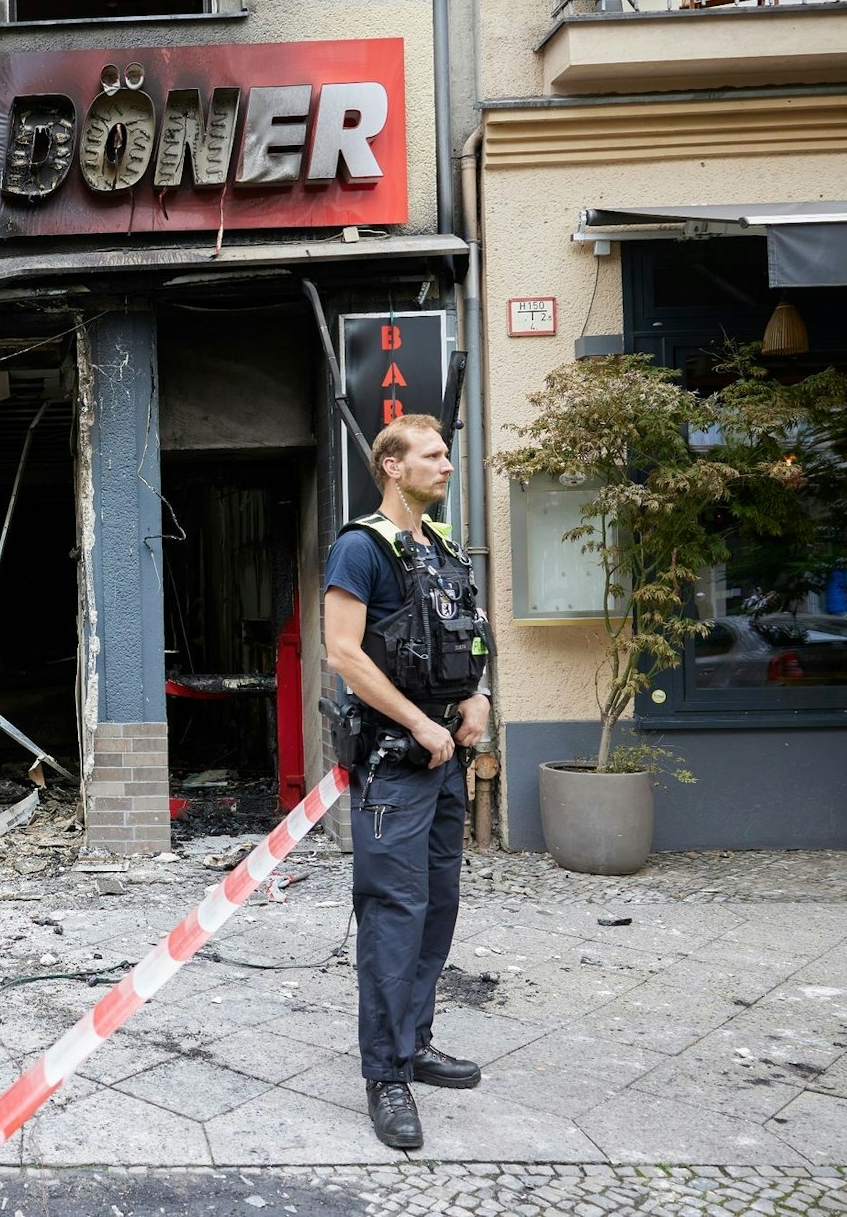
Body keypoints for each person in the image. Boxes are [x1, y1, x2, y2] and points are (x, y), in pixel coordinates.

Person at [322, 413, 493, 1150]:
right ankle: (385, 1073)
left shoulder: (443, 547)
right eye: (433, 454)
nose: (447, 465)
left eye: (447, 454)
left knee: (436, 907)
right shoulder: (361, 549)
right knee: (394, 914)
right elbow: (343, 653)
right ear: (392, 464)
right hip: (396, 763)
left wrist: (480, 699)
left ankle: (414, 1040)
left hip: (444, 758)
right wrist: (419, 724)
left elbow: (469, 638)